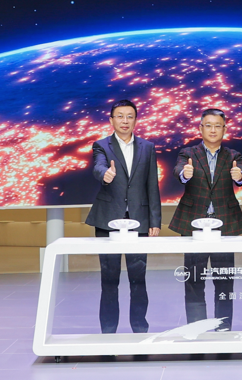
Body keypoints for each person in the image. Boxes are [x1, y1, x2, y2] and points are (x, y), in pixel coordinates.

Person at [85, 99, 162, 333]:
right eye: (120, 116)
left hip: (139, 220)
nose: (125, 121)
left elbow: (152, 185)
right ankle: (108, 332)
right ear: (111, 120)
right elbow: (98, 166)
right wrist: (105, 174)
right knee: (109, 280)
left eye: (130, 116)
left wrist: (155, 221)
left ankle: (139, 329)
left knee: (138, 280)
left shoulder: (147, 147)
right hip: (108, 220)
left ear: (136, 120)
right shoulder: (101, 145)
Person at [169, 108, 242, 330]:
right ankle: (197, 329)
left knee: (225, 282)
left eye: (217, 126)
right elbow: (178, 170)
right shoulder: (188, 153)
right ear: (200, 128)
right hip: (194, 224)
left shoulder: (233, 155)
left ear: (224, 129)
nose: (213, 130)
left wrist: (240, 176)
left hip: (225, 223)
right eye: (209, 125)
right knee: (194, 281)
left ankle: (223, 329)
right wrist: (185, 174)